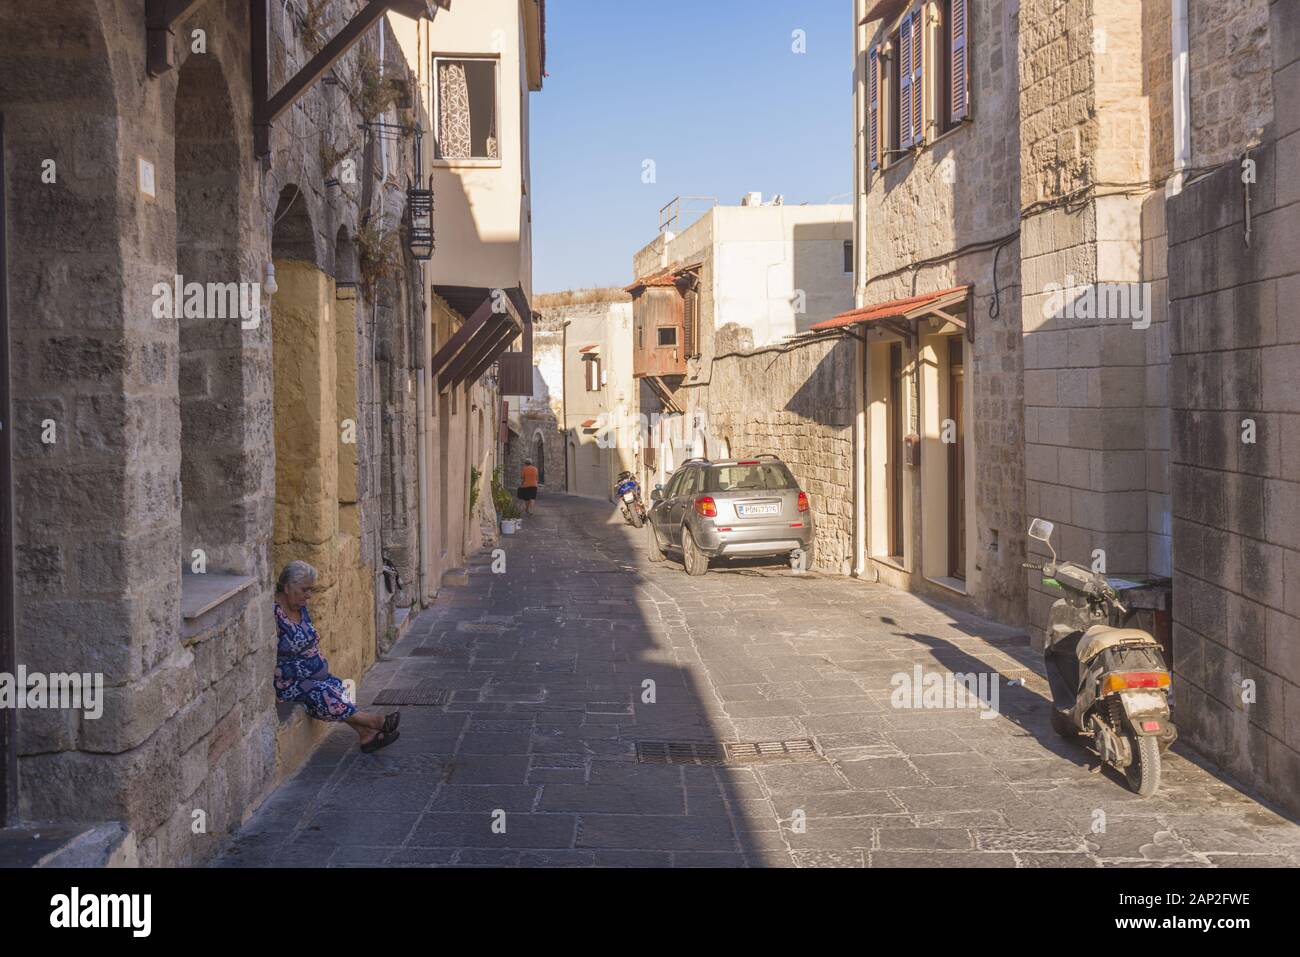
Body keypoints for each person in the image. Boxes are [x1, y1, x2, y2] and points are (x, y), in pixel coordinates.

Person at [274, 560, 400, 753]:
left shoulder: (300, 608)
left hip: (313, 677)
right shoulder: (274, 616)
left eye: (311, 590)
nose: (308, 596)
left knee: (339, 687)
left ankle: (366, 735)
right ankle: (374, 721)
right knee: (323, 692)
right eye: (304, 590)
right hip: (290, 683)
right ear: (287, 587)